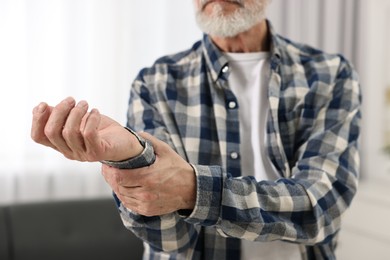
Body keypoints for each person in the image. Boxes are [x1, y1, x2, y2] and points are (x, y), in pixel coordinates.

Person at [30, 0, 362, 259]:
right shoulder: (156, 82)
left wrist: (194, 189)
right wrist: (134, 159)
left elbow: (319, 208)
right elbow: (172, 240)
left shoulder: (329, 74)